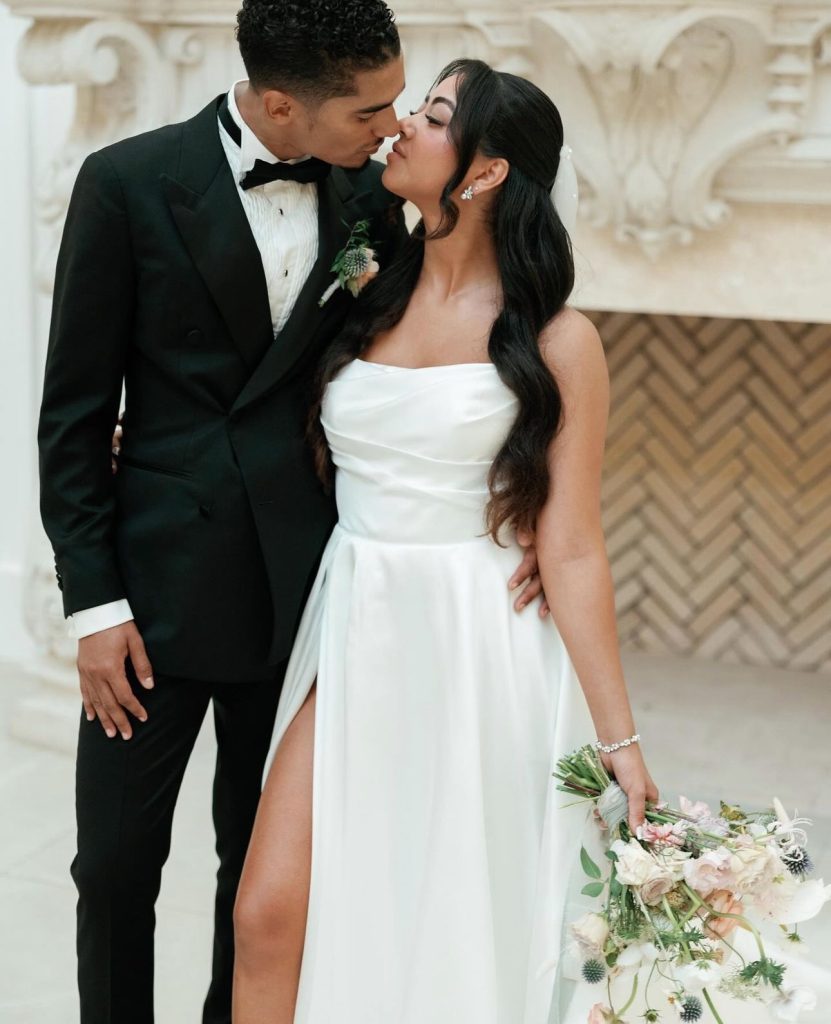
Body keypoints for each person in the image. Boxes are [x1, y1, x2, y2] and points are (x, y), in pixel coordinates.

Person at [38, 4, 543, 1019]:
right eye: (370, 109)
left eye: (402, 103)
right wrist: (94, 607)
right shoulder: (126, 183)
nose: (392, 126)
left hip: (305, 594)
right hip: (149, 602)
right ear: (281, 105)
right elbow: (74, 416)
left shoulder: (373, 201)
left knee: (262, 875)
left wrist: (520, 512)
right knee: (116, 866)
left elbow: (436, 368)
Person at [232, 58, 660, 1024]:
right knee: (266, 915)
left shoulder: (556, 340)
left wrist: (619, 742)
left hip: (479, 643)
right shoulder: (363, 288)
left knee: (453, 924)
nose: (399, 128)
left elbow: (573, 545)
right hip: (354, 619)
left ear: (486, 171)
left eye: (429, 115)